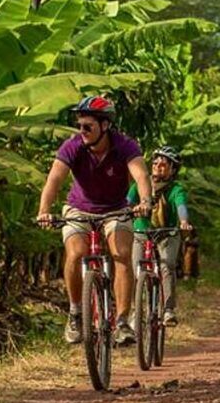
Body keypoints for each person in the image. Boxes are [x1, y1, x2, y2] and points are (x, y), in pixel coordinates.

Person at [37, 96, 152, 345]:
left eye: (88, 126)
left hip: (116, 209)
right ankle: (76, 313)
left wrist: (145, 201)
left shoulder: (125, 146)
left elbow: (141, 175)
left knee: (122, 254)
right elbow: (54, 180)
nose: (82, 131)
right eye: (80, 126)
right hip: (79, 209)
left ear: (105, 126)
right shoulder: (73, 146)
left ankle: (121, 321)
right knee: (76, 253)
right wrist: (44, 210)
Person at [127, 146, 192, 327]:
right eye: (155, 164)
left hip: (167, 233)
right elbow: (127, 202)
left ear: (172, 169)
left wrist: (184, 221)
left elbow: (181, 206)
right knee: (134, 269)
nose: (157, 167)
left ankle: (168, 309)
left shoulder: (176, 189)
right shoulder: (141, 184)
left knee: (166, 265)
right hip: (141, 233)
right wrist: (127, 211)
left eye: (163, 165)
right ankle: (135, 311)